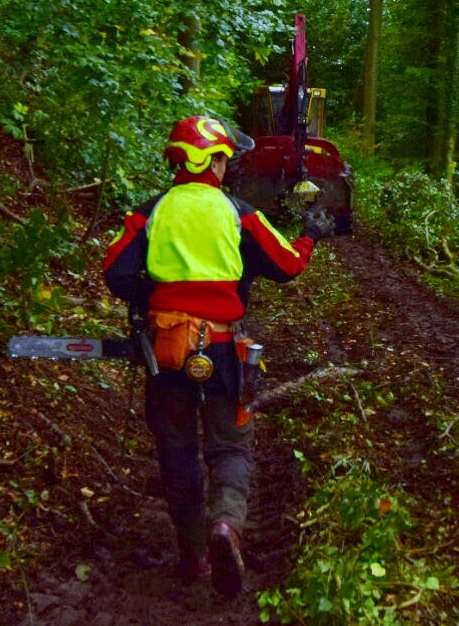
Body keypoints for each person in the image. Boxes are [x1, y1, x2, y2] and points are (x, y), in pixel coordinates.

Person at [103, 115, 334, 595]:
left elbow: (115, 271)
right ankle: (226, 524)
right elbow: (287, 265)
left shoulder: (151, 212)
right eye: (225, 158)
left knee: (177, 451)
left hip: (166, 352)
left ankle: (193, 557)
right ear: (215, 162)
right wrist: (311, 234)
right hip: (225, 350)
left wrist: (154, 297)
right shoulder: (239, 213)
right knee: (230, 445)